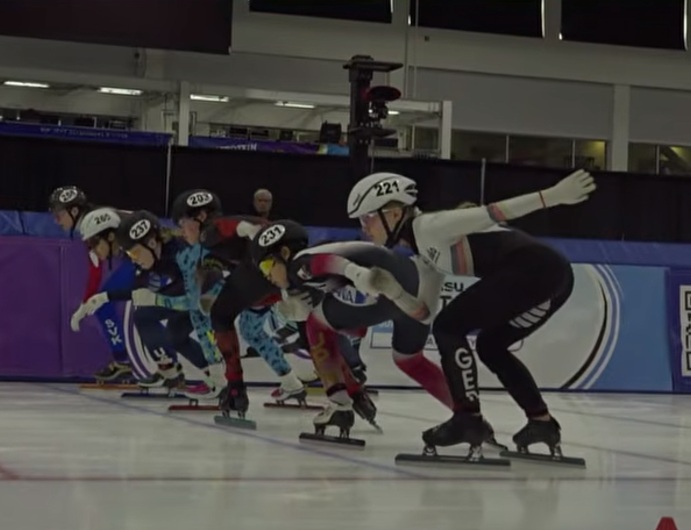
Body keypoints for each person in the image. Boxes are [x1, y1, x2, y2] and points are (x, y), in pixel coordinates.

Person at [345, 169, 595, 464]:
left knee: (451, 326)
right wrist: (394, 291)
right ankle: (541, 422)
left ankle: (468, 419)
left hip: (538, 269)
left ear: (395, 213)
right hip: (553, 276)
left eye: (367, 218)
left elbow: (494, 212)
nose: (364, 228)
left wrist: (554, 195)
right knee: (490, 346)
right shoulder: (423, 253)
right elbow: (424, 314)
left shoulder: (429, 226)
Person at [250, 220, 453, 445]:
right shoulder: (315, 263)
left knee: (316, 323)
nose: (266, 276)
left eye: (266, 267)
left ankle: (339, 406)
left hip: (380, 283)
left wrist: (359, 275)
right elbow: (354, 328)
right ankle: (466, 412)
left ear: (285, 253)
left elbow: (323, 263)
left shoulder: (298, 264)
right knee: (410, 360)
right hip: (414, 278)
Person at [170, 189, 307, 420]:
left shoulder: (208, 231)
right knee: (250, 330)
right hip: (276, 272)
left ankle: (235, 388)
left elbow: (236, 227)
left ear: (201, 217)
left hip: (262, 267)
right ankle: (297, 382)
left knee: (220, 315)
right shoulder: (215, 242)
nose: (182, 231)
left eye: (183, 223)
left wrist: (252, 232)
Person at [73, 208, 220, 398]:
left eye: (93, 243)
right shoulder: (147, 250)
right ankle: (211, 376)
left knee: (144, 315)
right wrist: (102, 297)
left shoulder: (176, 253)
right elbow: (138, 289)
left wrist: (151, 298)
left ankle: (186, 373)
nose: (133, 259)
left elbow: (190, 288)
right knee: (176, 334)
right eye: (130, 254)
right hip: (194, 288)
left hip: (206, 288)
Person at [49, 186, 132, 382]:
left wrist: (87, 302)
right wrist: (87, 302)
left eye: (59, 215)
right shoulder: (90, 219)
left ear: (74, 211)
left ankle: (126, 361)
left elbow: (95, 270)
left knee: (104, 304)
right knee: (103, 303)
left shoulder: (90, 222)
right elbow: (95, 267)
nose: (56, 221)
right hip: (138, 256)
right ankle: (126, 360)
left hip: (144, 257)